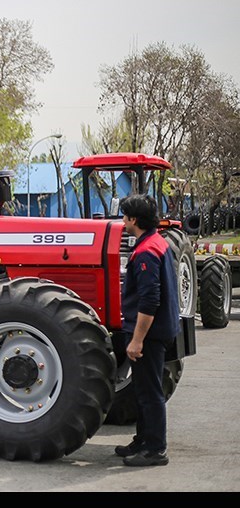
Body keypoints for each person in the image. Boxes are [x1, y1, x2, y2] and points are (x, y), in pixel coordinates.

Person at [115, 194, 179, 467]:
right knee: (142, 389)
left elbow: (149, 300)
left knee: (150, 391)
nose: (123, 221)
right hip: (159, 330)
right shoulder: (156, 242)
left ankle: (155, 449)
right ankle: (142, 440)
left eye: (125, 216)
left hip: (150, 335)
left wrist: (137, 340)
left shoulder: (145, 253)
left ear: (134, 220)